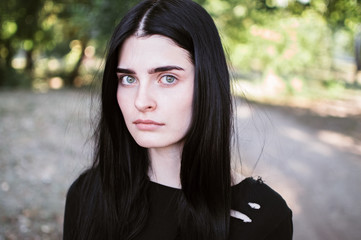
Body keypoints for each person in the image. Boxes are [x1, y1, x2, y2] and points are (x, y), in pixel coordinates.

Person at [63, 0, 293, 239]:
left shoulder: (264, 217)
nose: (141, 102)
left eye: (168, 78)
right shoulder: (87, 194)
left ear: (208, 84)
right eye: (128, 79)